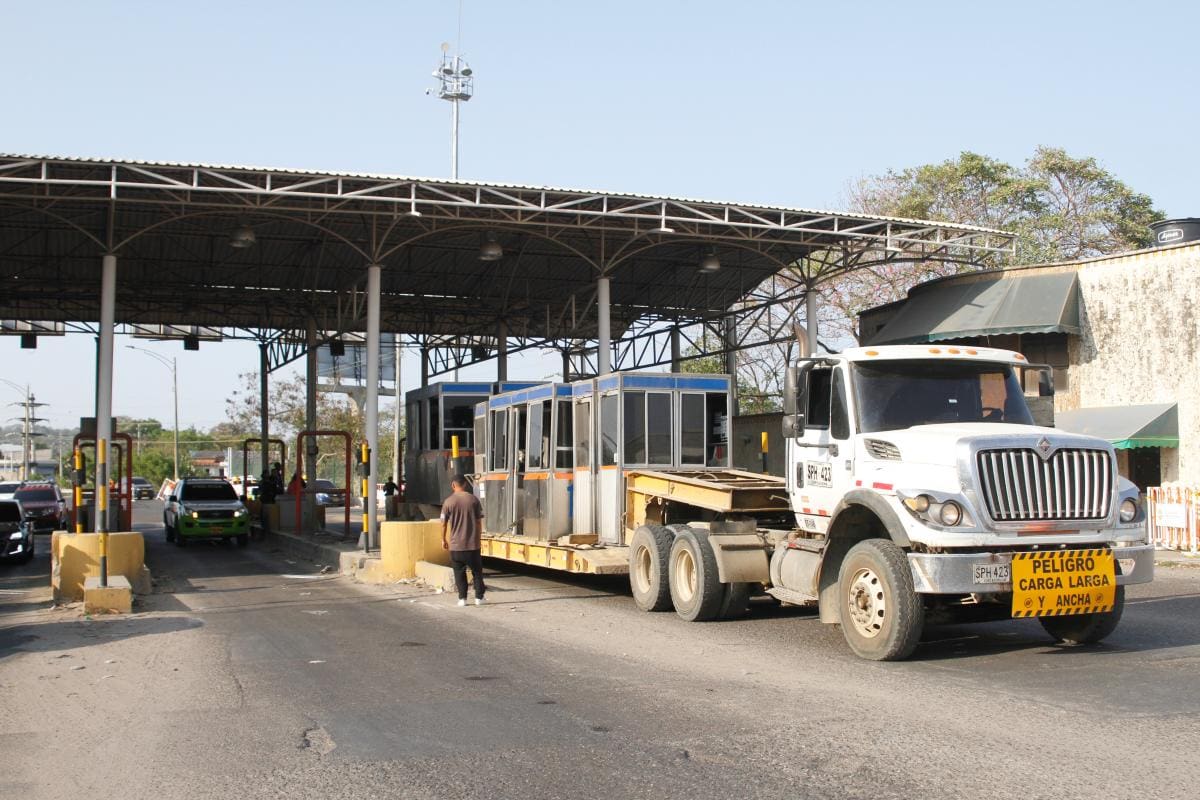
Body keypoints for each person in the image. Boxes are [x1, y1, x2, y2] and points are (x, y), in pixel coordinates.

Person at [440, 474, 485, 607]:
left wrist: (443, 539)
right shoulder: (474, 500)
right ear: (465, 484)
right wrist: (478, 537)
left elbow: (443, 524)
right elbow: (478, 522)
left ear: (453, 485)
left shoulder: (448, 502)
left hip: (456, 546)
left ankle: (462, 599)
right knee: (477, 572)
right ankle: (478, 598)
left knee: (459, 572)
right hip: (472, 545)